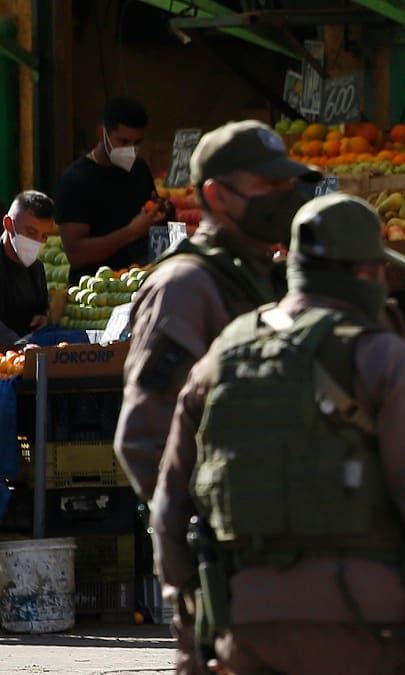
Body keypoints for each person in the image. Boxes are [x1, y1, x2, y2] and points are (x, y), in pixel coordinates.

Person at [150, 193, 405, 674]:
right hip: (362, 625)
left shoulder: (225, 355)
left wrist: (192, 635)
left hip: (245, 624)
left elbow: (169, 507)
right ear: (366, 273)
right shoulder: (381, 359)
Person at [114, 119, 318, 675]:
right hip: (233, 574)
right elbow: (142, 436)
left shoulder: (269, 281)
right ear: (216, 196)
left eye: (287, 186)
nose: (285, 199)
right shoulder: (188, 288)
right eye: (267, 186)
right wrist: (209, 534)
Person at [55, 97, 166, 280]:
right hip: (95, 293)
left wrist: (161, 215)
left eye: (137, 143)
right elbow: (76, 255)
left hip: (137, 282)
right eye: (123, 142)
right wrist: (131, 232)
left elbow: (152, 230)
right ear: (101, 134)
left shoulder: (139, 170)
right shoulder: (75, 181)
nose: (131, 149)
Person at [0, 191, 55, 348]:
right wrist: (17, 345)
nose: (37, 242)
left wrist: (43, 318)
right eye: (31, 232)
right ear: (9, 225)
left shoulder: (36, 268)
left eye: (44, 236)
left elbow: (41, 309)